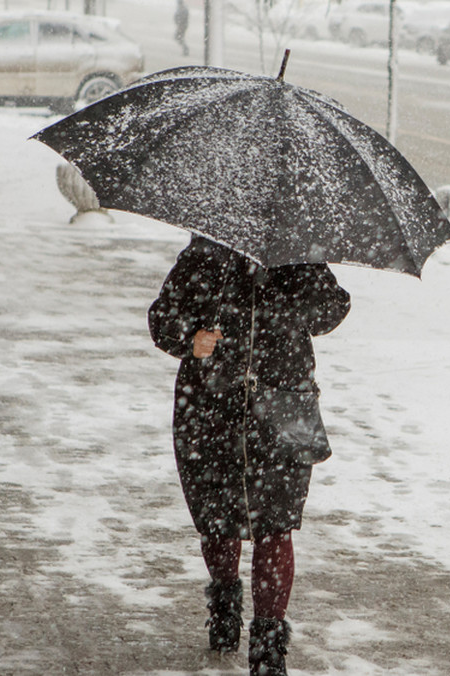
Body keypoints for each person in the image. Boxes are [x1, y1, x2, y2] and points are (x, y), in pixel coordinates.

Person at [149, 236, 351, 676]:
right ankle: (224, 604)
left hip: (282, 411)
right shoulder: (205, 253)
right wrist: (192, 338)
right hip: (210, 409)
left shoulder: (299, 252)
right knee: (217, 519)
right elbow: (162, 319)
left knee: (276, 525)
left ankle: (268, 648)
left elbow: (332, 310)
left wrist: (299, 288)